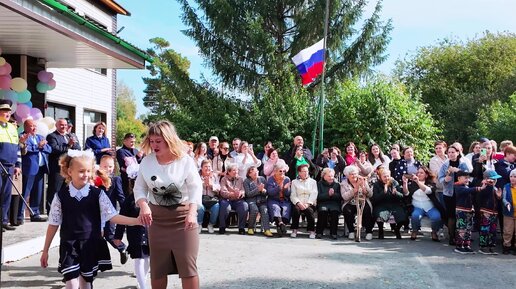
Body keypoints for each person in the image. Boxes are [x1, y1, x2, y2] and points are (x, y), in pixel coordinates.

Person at [40, 149, 140, 289]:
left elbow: (112, 215)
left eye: (88, 171)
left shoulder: (97, 194)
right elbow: (53, 223)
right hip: (69, 244)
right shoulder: (61, 196)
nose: (86, 175)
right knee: (71, 283)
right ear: (69, 172)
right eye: (81, 171)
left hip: (90, 244)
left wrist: (135, 221)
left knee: (86, 283)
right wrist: (45, 250)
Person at [134, 120, 202, 289]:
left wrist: (192, 213)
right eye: (151, 141)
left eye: (159, 141)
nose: (154, 145)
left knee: (188, 267)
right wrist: (144, 206)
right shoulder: (147, 162)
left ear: (169, 139)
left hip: (184, 219)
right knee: (158, 268)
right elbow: (139, 188)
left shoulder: (185, 160)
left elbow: (195, 187)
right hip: (157, 221)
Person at [113, 182, 151, 289]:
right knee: (139, 258)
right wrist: (118, 236)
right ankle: (143, 286)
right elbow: (122, 218)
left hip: (150, 233)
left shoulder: (153, 196)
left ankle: (143, 279)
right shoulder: (129, 200)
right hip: (135, 234)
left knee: (147, 259)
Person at [17, 119, 51, 224]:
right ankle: (19, 215)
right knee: (25, 192)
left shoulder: (39, 137)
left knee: (38, 192)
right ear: (26, 127)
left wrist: (40, 147)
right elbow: (26, 151)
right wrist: (38, 146)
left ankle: (34, 213)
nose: (34, 128)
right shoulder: (23, 137)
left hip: (40, 169)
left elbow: (49, 149)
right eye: (31, 126)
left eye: (35, 126)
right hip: (29, 168)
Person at [96, 155, 127, 264]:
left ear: (113, 167)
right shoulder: (95, 179)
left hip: (110, 213)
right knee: (95, 236)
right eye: (105, 166)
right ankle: (94, 261)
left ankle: (122, 248)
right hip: (95, 212)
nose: (107, 169)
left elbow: (120, 196)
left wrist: (126, 208)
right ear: (100, 166)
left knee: (109, 235)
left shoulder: (115, 179)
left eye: (110, 166)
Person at [438, 144, 471, 245]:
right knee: (451, 215)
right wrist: (445, 179)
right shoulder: (445, 164)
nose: (451, 154)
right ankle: (451, 237)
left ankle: (461, 236)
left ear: (457, 153)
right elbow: (440, 178)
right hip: (449, 193)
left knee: (461, 215)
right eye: (449, 152)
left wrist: (458, 171)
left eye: (453, 152)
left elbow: (468, 178)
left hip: (461, 193)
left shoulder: (463, 163)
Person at [47, 118, 81, 214]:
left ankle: (63, 210)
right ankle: (52, 211)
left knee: (66, 191)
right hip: (57, 169)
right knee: (54, 190)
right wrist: (68, 146)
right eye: (61, 125)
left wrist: (73, 144)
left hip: (68, 169)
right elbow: (55, 149)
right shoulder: (52, 136)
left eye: (65, 125)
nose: (64, 127)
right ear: (56, 125)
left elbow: (78, 148)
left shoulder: (69, 135)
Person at [403, 166, 442, 241]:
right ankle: (415, 230)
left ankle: (434, 231)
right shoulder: (413, 184)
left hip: (430, 206)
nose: (419, 174)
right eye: (418, 173)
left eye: (421, 173)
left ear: (426, 175)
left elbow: (428, 191)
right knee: (415, 215)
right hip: (417, 206)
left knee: (436, 217)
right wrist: (405, 183)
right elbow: (406, 193)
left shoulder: (431, 183)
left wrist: (418, 182)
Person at [0, 99, 21, 231]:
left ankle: (3, 220)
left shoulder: (13, 128)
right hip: (0, 164)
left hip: (10, 165)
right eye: (4, 110)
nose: (8, 113)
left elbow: (17, 148)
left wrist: (18, 164)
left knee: (6, 194)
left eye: (9, 111)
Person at [453, 171, 484, 254]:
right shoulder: (457, 186)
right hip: (461, 211)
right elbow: (466, 191)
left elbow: (470, 194)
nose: (467, 179)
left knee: (468, 229)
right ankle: (459, 246)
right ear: (459, 178)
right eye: (465, 178)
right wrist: (479, 188)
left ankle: (466, 245)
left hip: (469, 210)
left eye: (468, 178)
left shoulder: (466, 187)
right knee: (461, 228)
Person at [370, 168, 405, 239]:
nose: (387, 178)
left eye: (388, 176)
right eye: (384, 176)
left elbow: (401, 196)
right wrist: (384, 192)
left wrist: (396, 193)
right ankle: (381, 230)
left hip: (394, 204)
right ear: (380, 177)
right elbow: (375, 199)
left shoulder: (394, 183)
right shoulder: (377, 184)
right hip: (381, 205)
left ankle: (397, 229)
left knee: (403, 216)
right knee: (380, 215)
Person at [341, 166, 373, 241]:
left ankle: (369, 231)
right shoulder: (343, 184)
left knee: (367, 209)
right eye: (351, 174)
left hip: (362, 201)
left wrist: (364, 189)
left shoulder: (363, 180)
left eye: (355, 174)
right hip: (350, 202)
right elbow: (344, 197)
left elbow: (370, 194)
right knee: (347, 210)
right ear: (347, 175)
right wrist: (354, 190)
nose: (354, 176)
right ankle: (351, 231)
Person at [477, 170, 502, 255]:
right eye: (492, 179)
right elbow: (480, 197)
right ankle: (483, 246)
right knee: (485, 229)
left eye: (495, 179)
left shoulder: (495, 188)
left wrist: (499, 197)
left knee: (493, 230)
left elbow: (497, 200)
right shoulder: (484, 187)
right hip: (485, 211)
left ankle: (491, 246)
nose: (494, 181)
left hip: (494, 212)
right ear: (486, 179)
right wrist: (485, 184)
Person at [219, 163, 249, 234]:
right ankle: (222, 226)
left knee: (244, 206)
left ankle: (241, 227)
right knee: (224, 206)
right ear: (229, 172)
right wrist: (232, 194)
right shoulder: (224, 179)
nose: (236, 172)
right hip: (227, 199)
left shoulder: (240, 179)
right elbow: (223, 192)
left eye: (237, 170)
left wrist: (241, 193)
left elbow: (243, 190)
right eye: (234, 170)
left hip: (238, 200)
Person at [290, 164, 318, 238]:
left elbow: (314, 194)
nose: (306, 173)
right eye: (304, 171)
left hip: (309, 203)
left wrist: (308, 203)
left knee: (309, 211)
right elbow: (293, 195)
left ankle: (311, 230)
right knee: (296, 210)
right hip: (299, 202)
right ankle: (294, 229)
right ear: (299, 172)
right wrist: (299, 203)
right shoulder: (294, 182)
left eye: (307, 171)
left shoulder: (313, 182)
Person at [243, 165, 272, 236]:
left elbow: (267, 192)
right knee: (254, 209)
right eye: (253, 172)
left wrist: (263, 191)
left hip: (262, 200)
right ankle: (250, 228)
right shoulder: (246, 181)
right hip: (251, 200)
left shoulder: (262, 179)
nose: (256, 173)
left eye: (256, 171)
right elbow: (248, 194)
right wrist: (258, 190)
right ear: (249, 174)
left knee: (264, 210)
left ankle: (267, 229)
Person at [266, 163, 292, 236]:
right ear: (275, 171)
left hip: (284, 199)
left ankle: (280, 225)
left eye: (284, 171)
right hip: (273, 199)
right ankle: (280, 225)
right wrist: (279, 187)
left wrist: (286, 189)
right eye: (280, 171)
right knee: (275, 208)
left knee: (286, 208)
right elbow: (270, 192)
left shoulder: (287, 179)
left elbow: (288, 194)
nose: (282, 173)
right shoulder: (271, 179)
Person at [197, 160, 220, 234]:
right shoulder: (197, 175)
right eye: (206, 166)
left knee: (216, 206)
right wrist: (203, 183)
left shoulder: (214, 176)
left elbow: (219, 188)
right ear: (202, 167)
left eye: (209, 166)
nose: (208, 168)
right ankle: (199, 224)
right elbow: (194, 187)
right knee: (200, 207)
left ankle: (211, 225)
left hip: (211, 199)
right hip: (201, 198)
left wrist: (211, 185)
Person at [501, 169, 516, 255]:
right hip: (509, 213)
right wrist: (507, 204)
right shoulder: (506, 186)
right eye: (511, 176)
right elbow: (504, 198)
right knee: (508, 231)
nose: (512, 178)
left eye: (515, 177)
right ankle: (506, 246)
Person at [429, 141, 448, 206]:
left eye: (440, 148)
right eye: (436, 148)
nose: (438, 150)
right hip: (441, 188)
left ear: (445, 148)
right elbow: (437, 173)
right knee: (445, 208)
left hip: (452, 187)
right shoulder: (433, 160)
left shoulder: (449, 158)